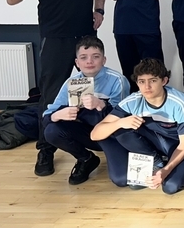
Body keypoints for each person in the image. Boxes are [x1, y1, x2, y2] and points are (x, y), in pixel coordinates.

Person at [5, 0, 106, 177]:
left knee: (88, 93)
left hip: (85, 37)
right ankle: (45, 150)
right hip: (56, 38)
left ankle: (86, 145)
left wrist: (99, 10)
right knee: (50, 96)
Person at [91, 58, 184, 194]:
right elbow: (94, 134)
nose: (147, 87)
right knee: (119, 128)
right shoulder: (133, 100)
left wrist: (166, 170)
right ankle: (156, 161)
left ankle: (162, 165)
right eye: (141, 81)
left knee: (171, 186)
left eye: (153, 80)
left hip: (181, 143)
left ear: (164, 81)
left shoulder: (180, 102)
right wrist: (120, 122)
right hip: (156, 141)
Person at [42, 36, 130, 185]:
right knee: (51, 130)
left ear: (104, 60)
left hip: (111, 136)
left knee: (121, 179)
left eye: (96, 57)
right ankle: (86, 159)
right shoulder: (71, 82)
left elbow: (122, 119)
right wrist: (57, 115)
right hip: (86, 133)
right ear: (77, 62)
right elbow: (46, 117)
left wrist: (101, 104)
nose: (89, 62)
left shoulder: (118, 80)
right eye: (83, 58)